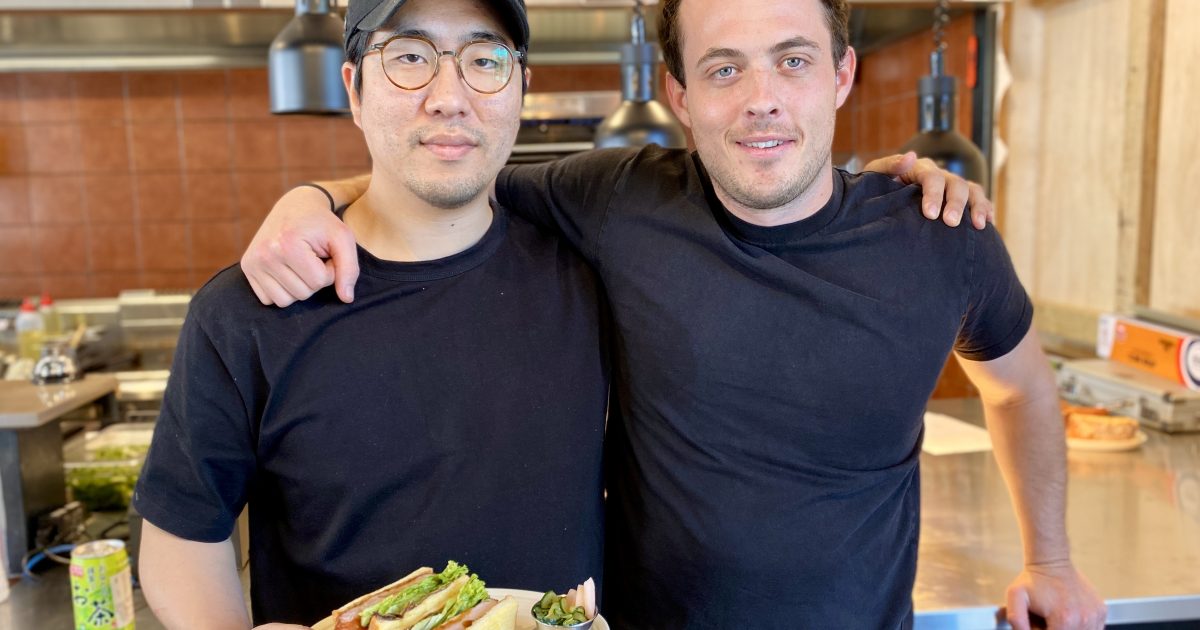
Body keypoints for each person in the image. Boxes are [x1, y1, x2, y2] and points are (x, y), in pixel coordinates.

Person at [241, 1, 1109, 629]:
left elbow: (1022, 390)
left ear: (842, 73)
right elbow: (440, 178)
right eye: (724, 68)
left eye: (794, 59)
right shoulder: (620, 199)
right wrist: (311, 197)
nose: (761, 97)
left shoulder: (940, 234)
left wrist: (1054, 562)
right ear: (681, 92)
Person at [133, 0, 611, 628]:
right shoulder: (253, 308)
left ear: (520, 88)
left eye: (485, 60)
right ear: (355, 89)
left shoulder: (592, 279)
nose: (449, 97)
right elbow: (182, 534)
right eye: (409, 56)